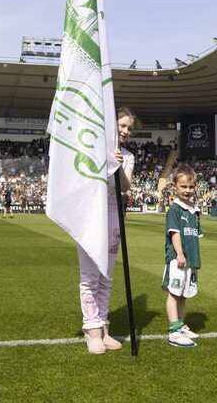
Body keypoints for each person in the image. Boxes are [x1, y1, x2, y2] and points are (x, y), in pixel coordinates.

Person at [78, 107, 138, 354]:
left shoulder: (128, 156)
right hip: (90, 214)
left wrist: (118, 163)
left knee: (106, 276)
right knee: (90, 276)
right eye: (121, 125)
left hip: (113, 214)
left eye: (129, 128)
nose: (124, 131)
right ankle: (91, 329)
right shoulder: (91, 148)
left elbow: (124, 187)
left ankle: (103, 327)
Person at [162, 165, 203, 347]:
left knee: (184, 294)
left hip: (191, 259)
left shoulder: (195, 209)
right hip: (178, 258)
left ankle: (181, 325)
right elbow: (175, 233)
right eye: (183, 186)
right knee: (174, 293)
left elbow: (194, 236)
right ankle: (174, 331)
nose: (187, 190)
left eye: (191, 187)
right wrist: (179, 253)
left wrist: (195, 258)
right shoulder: (175, 209)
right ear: (175, 186)